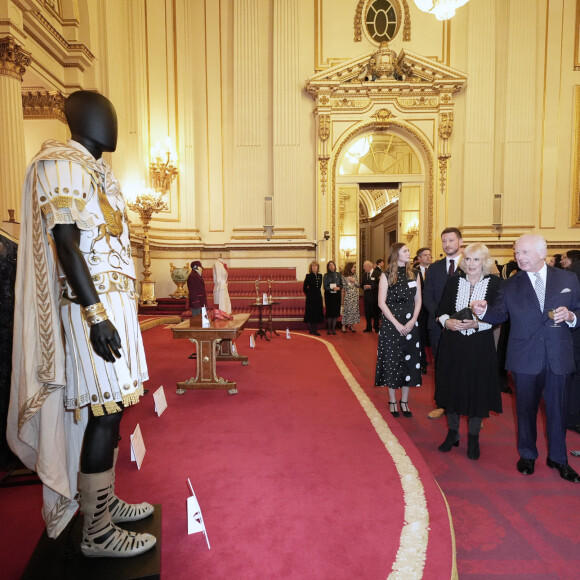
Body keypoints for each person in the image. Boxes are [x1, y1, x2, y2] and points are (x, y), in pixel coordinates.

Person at [8, 91, 155, 557]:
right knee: (104, 412)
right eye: (103, 113)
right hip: (93, 311)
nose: (111, 121)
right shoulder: (61, 164)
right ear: (81, 118)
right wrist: (96, 317)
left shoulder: (100, 173)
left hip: (116, 307)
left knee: (114, 412)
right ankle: (97, 532)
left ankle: (104, 505)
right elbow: (67, 246)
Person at [472, 234, 580, 483]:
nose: (518, 257)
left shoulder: (568, 278)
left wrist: (572, 317)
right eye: (516, 252)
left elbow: (578, 309)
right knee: (526, 411)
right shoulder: (510, 285)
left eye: (524, 252)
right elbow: (499, 314)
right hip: (525, 358)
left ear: (542, 253)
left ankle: (559, 459)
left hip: (559, 356)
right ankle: (528, 455)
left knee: (558, 412)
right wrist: (484, 311)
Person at [435, 244, 502, 459]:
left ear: (485, 261)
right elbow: (441, 311)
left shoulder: (495, 284)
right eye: (469, 259)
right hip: (452, 343)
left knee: (477, 389)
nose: (472, 264)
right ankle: (453, 433)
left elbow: (499, 315)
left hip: (479, 345)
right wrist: (449, 323)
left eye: (477, 260)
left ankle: (474, 437)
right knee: (452, 387)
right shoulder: (454, 281)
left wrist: (477, 325)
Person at [375, 243, 422, 417]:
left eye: (409, 250)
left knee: (409, 362)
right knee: (393, 361)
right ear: (396, 254)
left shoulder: (415, 274)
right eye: (405, 251)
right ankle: (393, 400)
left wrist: (413, 320)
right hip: (391, 325)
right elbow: (381, 303)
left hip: (411, 324)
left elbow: (418, 300)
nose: (409, 253)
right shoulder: (386, 275)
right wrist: (396, 324)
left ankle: (405, 401)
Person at [422, 227, 463, 418]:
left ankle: (469, 409)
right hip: (438, 325)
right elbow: (427, 295)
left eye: (451, 240)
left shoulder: (470, 264)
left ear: (460, 242)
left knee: (465, 366)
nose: (447, 244)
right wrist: (439, 317)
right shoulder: (435, 268)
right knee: (441, 366)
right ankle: (442, 404)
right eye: (444, 241)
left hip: (465, 326)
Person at [416, 247, 432, 373]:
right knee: (420, 337)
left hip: (433, 310)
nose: (428, 257)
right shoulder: (413, 272)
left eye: (429, 255)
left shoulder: (436, 271)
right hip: (420, 311)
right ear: (419, 258)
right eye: (425, 255)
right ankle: (422, 362)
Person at [303, 261, 324, 335]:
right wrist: (309, 294)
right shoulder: (308, 276)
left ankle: (315, 330)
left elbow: (319, 286)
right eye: (313, 266)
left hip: (318, 297)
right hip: (310, 297)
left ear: (318, 267)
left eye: (315, 266)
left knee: (316, 313)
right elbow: (304, 288)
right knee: (310, 313)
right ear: (311, 268)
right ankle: (311, 330)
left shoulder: (320, 276)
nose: (314, 267)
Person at [323, 260, 342, 335]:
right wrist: (332, 289)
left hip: (337, 295)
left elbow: (341, 284)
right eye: (330, 265)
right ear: (328, 267)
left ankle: (333, 329)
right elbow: (325, 286)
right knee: (330, 313)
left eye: (333, 265)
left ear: (335, 266)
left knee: (335, 313)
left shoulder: (338, 274)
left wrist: (339, 288)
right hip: (329, 295)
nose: (331, 266)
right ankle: (329, 329)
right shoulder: (326, 275)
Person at [341, 262, 360, 332]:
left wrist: (354, 282)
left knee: (354, 311)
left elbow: (358, 285)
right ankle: (343, 326)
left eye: (355, 267)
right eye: (353, 267)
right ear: (349, 268)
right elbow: (345, 287)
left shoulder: (355, 275)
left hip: (354, 295)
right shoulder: (343, 276)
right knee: (347, 311)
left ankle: (351, 326)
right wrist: (349, 281)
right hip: (348, 296)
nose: (354, 268)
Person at [361, 260, 378, 332]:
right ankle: (368, 327)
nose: (363, 268)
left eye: (364, 267)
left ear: (369, 266)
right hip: (367, 298)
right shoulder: (364, 275)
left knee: (376, 313)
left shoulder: (378, 274)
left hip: (375, 298)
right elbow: (362, 284)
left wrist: (371, 287)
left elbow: (380, 285)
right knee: (367, 313)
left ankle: (376, 327)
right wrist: (364, 286)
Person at [372, 259, 384, 332]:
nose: (383, 263)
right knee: (377, 311)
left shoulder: (380, 270)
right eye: (382, 262)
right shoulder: (377, 271)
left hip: (379, 292)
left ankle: (377, 325)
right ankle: (376, 326)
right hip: (377, 293)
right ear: (379, 263)